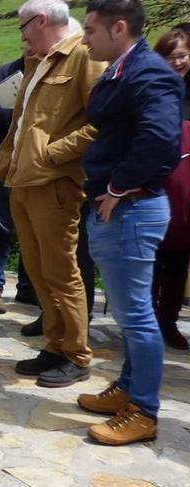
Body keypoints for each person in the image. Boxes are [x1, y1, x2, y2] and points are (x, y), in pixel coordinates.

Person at [77, 0, 184, 446]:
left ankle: (143, 410)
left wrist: (119, 187)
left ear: (118, 28)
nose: (84, 39)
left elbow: (161, 139)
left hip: (132, 211)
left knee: (138, 316)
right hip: (119, 209)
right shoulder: (123, 69)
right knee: (129, 313)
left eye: (90, 30)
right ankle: (127, 388)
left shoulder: (149, 73)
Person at [0, 0, 106, 388]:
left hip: (55, 184)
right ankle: (55, 345)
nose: (21, 35)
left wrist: (53, 153)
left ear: (39, 21)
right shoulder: (39, 60)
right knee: (40, 272)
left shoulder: (84, 57)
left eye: (23, 26)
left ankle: (76, 354)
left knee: (62, 273)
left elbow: (102, 121)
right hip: (23, 182)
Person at [0, 51, 39, 317]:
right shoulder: (3, 74)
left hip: (40, 164)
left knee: (35, 228)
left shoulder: (57, 72)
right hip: (7, 161)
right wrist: (18, 113)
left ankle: (30, 286)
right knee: (0, 227)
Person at [151, 27, 190, 350]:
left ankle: (169, 321)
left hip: (186, 182)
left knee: (179, 256)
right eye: (170, 56)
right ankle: (147, 322)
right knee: (152, 255)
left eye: (182, 55)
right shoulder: (154, 89)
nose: (177, 62)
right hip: (158, 178)